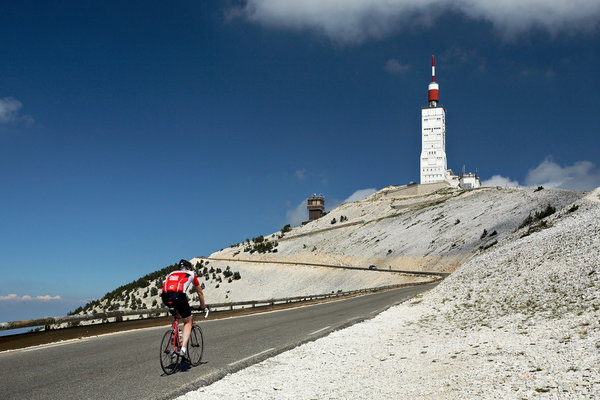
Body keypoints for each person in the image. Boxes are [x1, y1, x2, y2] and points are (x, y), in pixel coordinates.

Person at [161, 259, 206, 361]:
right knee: (188, 321)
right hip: (179, 296)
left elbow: (165, 285)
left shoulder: (172, 273)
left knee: (176, 317)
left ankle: (175, 342)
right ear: (189, 268)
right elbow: (200, 293)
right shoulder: (191, 273)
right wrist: (202, 306)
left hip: (165, 296)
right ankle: (183, 349)